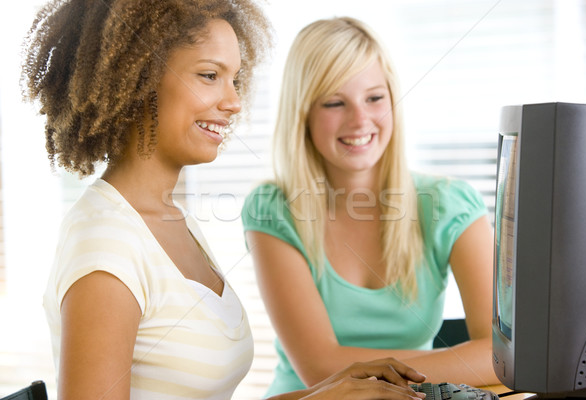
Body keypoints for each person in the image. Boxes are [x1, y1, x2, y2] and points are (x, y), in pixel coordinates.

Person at [21, 2, 428, 399]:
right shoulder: (105, 244)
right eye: (210, 75)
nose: (233, 102)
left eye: (234, 79)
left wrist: (329, 389)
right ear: (139, 80)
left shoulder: (169, 219)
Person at [241, 16, 500, 397]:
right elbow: (320, 369)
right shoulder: (273, 209)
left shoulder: (449, 204)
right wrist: (455, 362)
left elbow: (501, 353)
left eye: (374, 98)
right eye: (334, 102)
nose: (360, 119)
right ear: (304, 114)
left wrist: (353, 367)